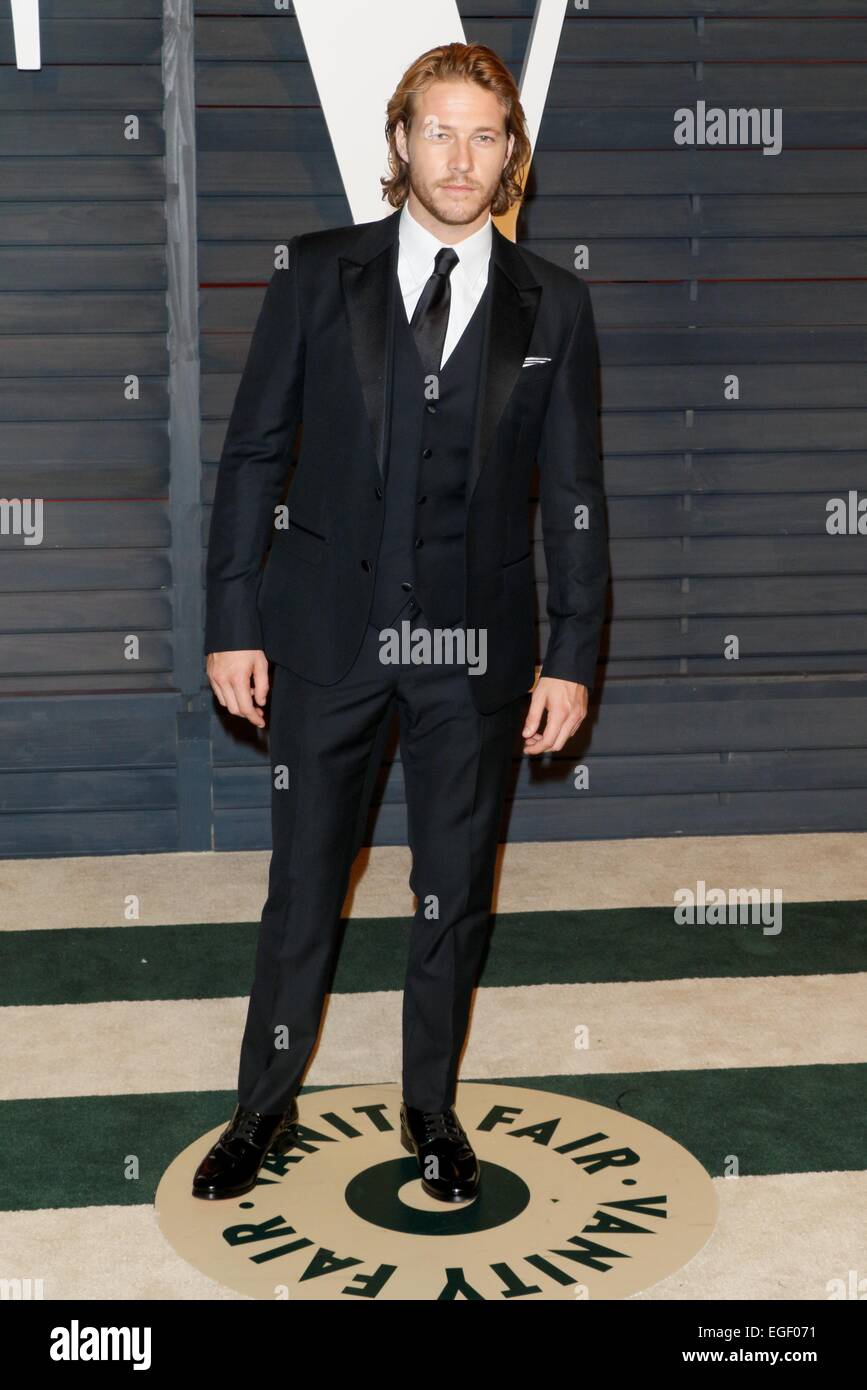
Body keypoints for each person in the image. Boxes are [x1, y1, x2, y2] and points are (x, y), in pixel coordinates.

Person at [192, 41, 608, 1203]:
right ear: (400, 143)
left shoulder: (555, 306)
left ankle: (430, 1111)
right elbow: (252, 456)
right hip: (325, 641)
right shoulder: (318, 276)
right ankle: (260, 1111)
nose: (460, 157)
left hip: (475, 655)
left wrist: (572, 656)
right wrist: (233, 619)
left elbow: (574, 496)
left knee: (451, 891)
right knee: (303, 886)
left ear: (511, 155)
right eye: (439, 130)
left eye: (485, 135)